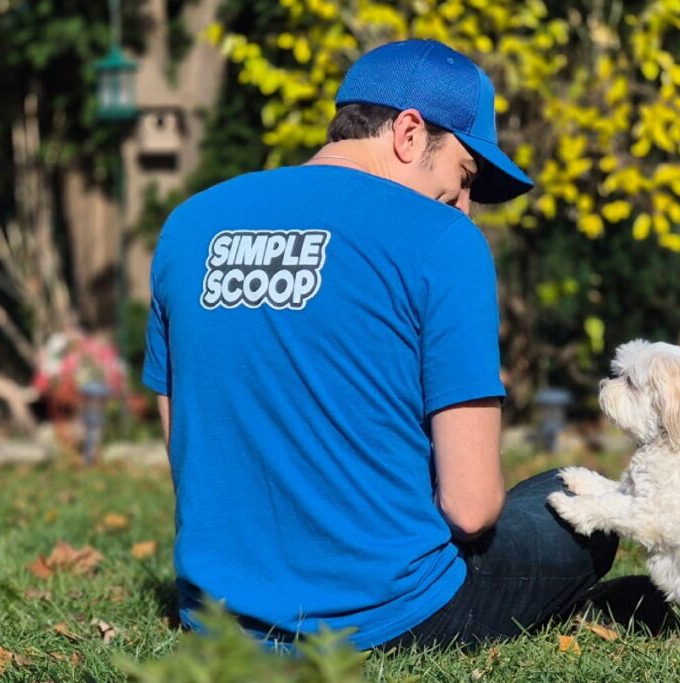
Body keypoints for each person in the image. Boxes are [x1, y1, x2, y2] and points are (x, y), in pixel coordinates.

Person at [142, 39, 626, 652]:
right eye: (465, 175)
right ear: (408, 133)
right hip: (389, 616)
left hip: (219, 618)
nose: (466, 206)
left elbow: (185, 446)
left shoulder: (189, 223)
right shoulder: (443, 239)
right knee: (581, 500)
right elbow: (470, 508)